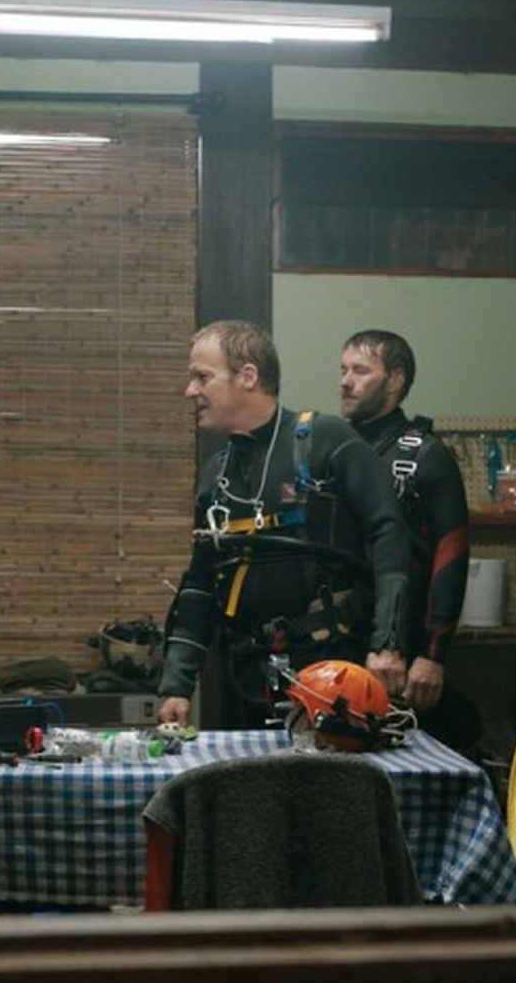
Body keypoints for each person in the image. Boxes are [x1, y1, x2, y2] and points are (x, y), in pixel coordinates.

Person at [155, 320, 411, 732]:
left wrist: (389, 643)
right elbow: (200, 584)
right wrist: (176, 686)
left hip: (335, 679)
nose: (190, 391)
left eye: (202, 377)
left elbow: (390, 534)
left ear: (248, 376)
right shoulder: (216, 476)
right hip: (247, 683)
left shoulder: (326, 440)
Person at [336, 329, 479, 754]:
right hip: (341, 641)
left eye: (360, 370)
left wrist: (434, 654)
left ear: (395, 380)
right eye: (343, 370)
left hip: (406, 650)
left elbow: (452, 555)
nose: (345, 381)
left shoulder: (425, 455)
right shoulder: (336, 449)